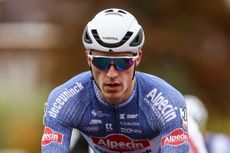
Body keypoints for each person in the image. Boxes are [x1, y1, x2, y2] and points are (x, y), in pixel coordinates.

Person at [41, 8, 189, 153]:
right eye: (101, 62)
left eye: (123, 62)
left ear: (138, 58)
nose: (111, 74)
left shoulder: (167, 103)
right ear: (88, 59)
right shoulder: (65, 100)